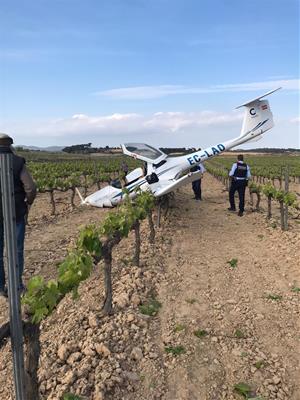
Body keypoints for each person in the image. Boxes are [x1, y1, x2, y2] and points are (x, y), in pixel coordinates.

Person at [0, 134, 37, 297]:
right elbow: (30, 188)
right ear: (10, 145)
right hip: (16, 212)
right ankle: (17, 286)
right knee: (16, 250)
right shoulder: (18, 161)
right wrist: (27, 203)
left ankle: (1, 286)